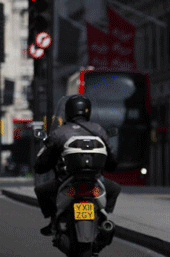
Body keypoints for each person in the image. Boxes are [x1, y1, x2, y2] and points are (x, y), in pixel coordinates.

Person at [34, 94, 121, 236]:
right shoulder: (98, 130)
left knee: (41, 191)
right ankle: (104, 218)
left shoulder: (60, 132)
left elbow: (46, 159)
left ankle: (52, 221)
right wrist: (110, 166)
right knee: (115, 189)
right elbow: (112, 157)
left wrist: (41, 167)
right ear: (88, 110)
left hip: (67, 180)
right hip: (95, 181)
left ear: (68, 111)